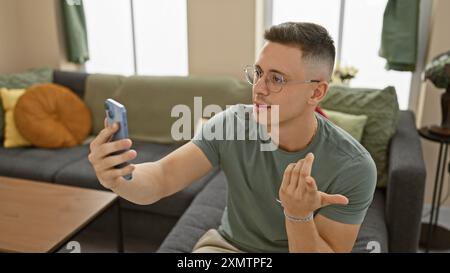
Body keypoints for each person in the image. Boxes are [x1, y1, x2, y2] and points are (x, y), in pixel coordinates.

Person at [88, 22, 377, 253]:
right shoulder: (231, 124)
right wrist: (119, 177)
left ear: (316, 92)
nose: (259, 88)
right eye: (259, 73)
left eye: (276, 79)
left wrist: (298, 215)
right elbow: (162, 176)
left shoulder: (353, 166)